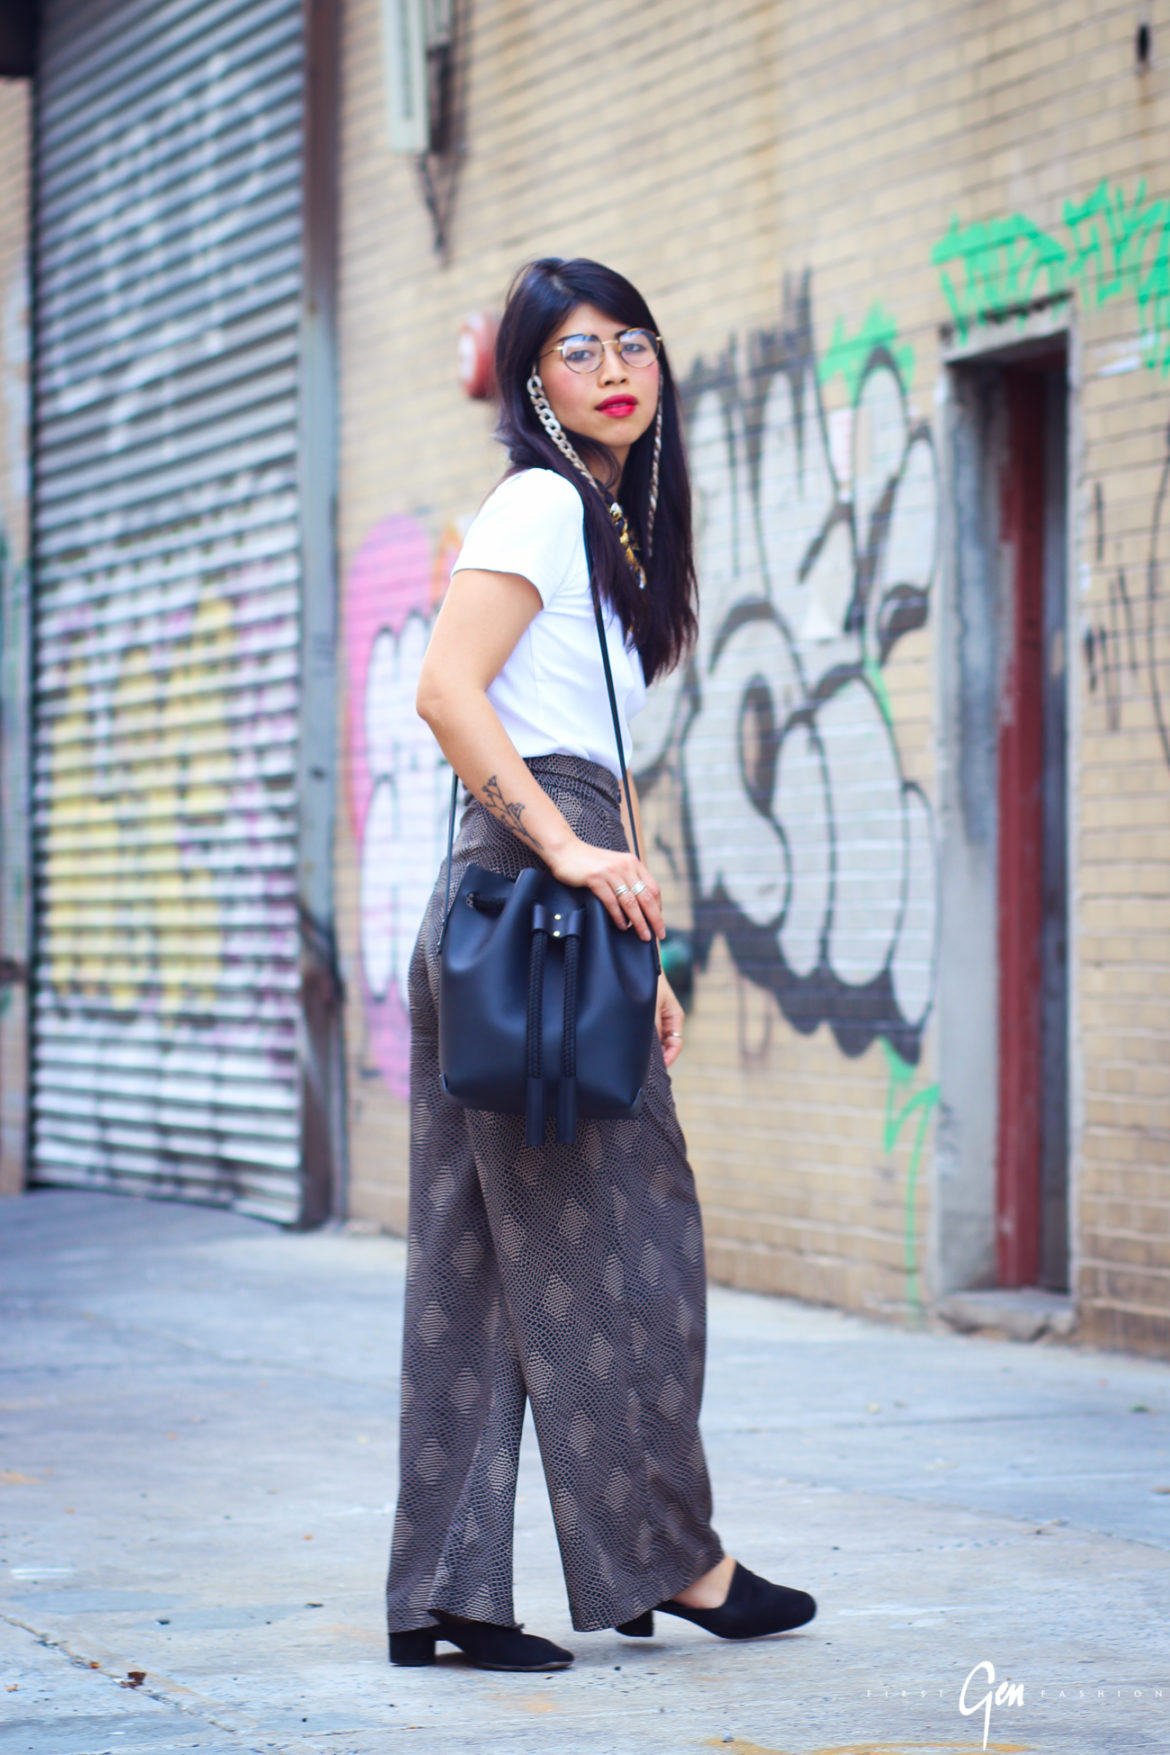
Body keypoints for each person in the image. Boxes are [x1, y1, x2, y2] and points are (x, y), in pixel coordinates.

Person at [385, 257, 816, 1673]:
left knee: (476, 1263)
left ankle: (445, 1594)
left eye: (632, 342)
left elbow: (601, 761)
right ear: (532, 380)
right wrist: (570, 856)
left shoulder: (607, 525)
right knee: (633, 1243)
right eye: (578, 351)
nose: (615, 370)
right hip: (531, 897)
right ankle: (672, 1559)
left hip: (540, 909)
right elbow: (446, 690)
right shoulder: (537, 502)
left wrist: (648, 946)